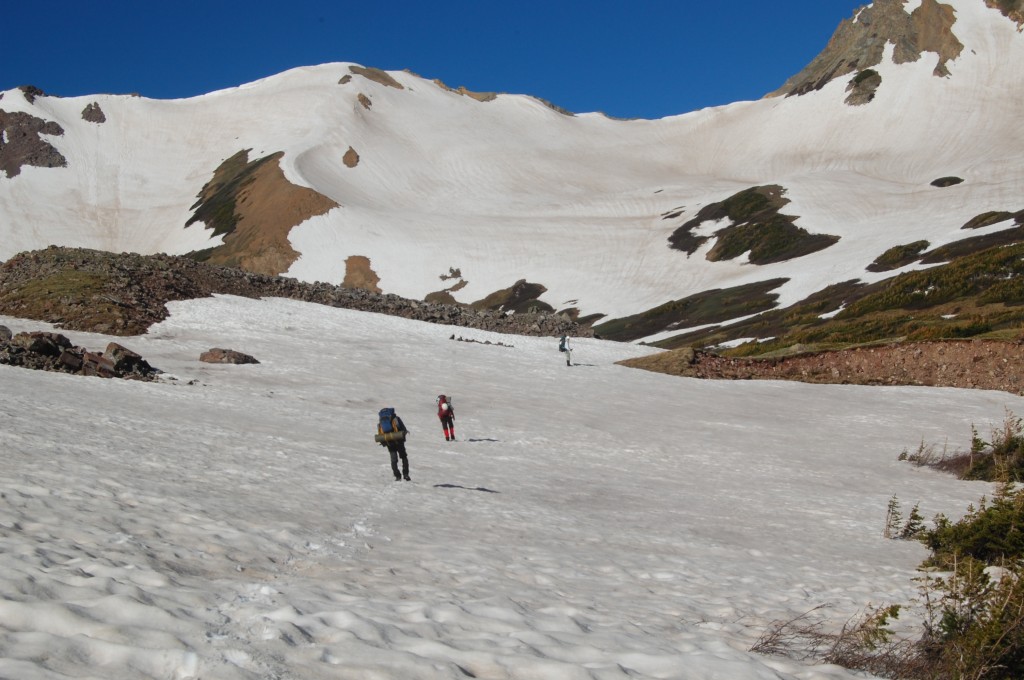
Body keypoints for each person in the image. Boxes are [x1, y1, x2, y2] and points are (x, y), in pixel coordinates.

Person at [376, 407, 410, 481]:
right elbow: (403, 428)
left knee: (393, 459)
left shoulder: (380, 422)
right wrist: (403, 434)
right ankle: (406, 474)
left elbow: (380, 433)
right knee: (403, 456)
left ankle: (397, 476)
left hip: (389, 442)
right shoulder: (396, 418)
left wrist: (384, 442)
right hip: (399, 440)